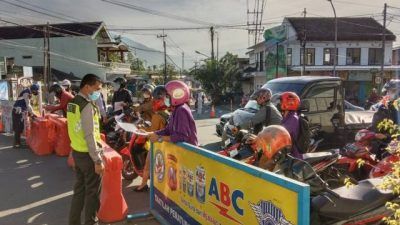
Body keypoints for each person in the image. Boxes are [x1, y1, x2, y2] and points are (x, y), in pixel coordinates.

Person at [67, 74, 104, 225]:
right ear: (87, 87)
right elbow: (90, 134)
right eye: (97, 89)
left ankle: (73, 222)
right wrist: (97, 159)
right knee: (93, 194)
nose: (98, 92)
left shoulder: (73, 103)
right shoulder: (87, 106)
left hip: (77, 152)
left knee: (79, 191)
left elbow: (72, 129)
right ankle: (91, 222)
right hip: (89, 156)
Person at [134, 85, 170, 192]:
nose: (153, 102)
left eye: (155, 100)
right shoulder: (167, 113)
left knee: (148, 165)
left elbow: (152, 131)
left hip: (157, 143)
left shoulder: (157, 116)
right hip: (166, 144)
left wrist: (142, 129)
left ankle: (143, 185)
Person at [147, 80, 198, 146]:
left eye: (166, 96)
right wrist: (150, 133)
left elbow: (182, 137)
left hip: (189, 152)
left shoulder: (181, 110)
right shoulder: (175, 110)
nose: (164, 99)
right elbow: (168, 130)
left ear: (176, 95)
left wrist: (159, 138)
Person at [279, 92, 302, 158]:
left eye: (281, 101)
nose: (279, 103)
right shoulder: (286, 116)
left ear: (289, 103)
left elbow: (281, 133)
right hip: (284, 150)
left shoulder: (293, 118)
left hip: (291, 154)